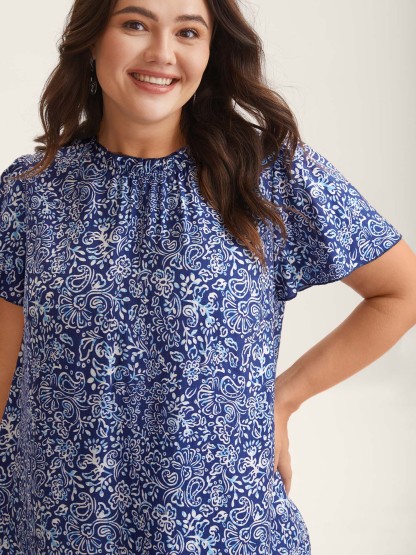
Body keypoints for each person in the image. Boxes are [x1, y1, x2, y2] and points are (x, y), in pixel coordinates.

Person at [0, 0, 415, 553]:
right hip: (62, 530)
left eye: (188, 32)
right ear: (92, 37)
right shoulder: (31, 194)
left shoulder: (267, 177)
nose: (162, 53)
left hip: (222, 531)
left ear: (211, 51)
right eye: (135, 24)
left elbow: (401, 290)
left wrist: (284, 398)